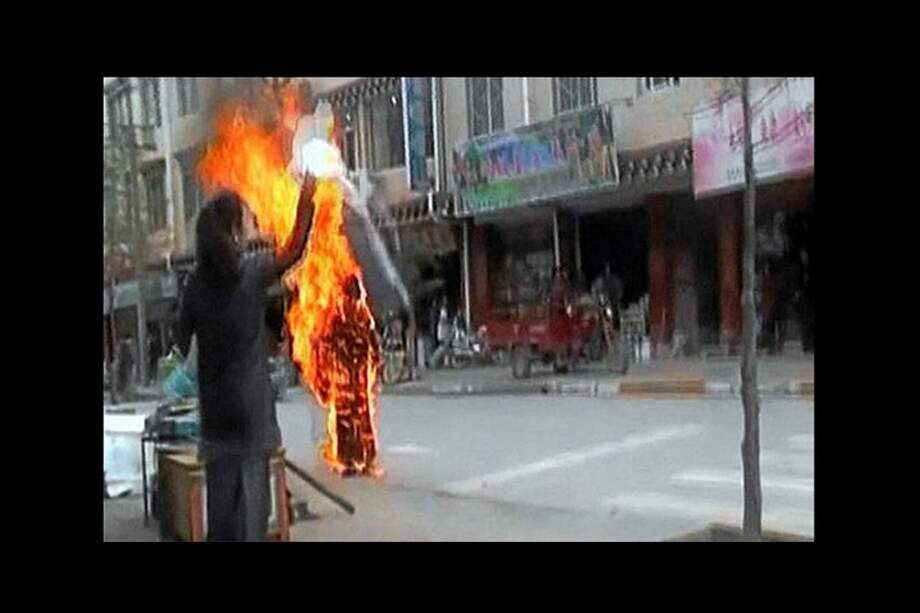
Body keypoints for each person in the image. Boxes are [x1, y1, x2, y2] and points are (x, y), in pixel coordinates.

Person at [177, 175, 315, 542]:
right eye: (246, 220)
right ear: (234, 232)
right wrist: (309, 190)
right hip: (251, 420)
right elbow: (296, 248)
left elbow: (180, 338)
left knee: (222, 523)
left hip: (217, 422)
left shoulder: (194, 284)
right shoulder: (251, 274)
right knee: (252, 521)